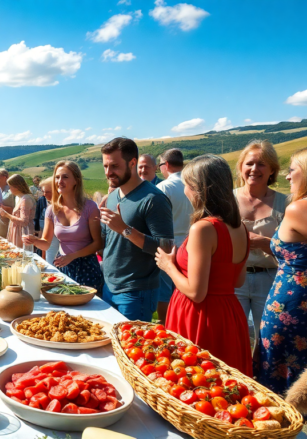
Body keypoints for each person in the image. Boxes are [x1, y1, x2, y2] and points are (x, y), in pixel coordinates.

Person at [156, 155, 252, 376]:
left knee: (194, 380)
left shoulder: (203, 228)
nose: (185, 191)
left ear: (198, 189)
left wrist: (168, 265)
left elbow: (196, 292)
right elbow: (237, 280)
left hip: (200, 317)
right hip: (229, 316)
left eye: (187, 186)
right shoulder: (240, 228)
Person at [255, 145, 307, 396]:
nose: (287, 176)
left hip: (295, 305)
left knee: (283, 382)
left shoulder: (301, 208)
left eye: (292, 170)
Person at [99, 138, 173, 321]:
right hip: (108, 287)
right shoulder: (112, 196)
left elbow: (166, 247)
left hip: (136, 293)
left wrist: (125, 229)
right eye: (105, 166)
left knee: (129, 348)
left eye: (114, 166)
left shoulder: (154, 199)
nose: (109, 173)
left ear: (132, 162)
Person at [232, 140, 288, 348]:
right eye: (249, 163)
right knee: (233, 336)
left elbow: (295, 250)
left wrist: (265, 243)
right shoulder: (227, 200)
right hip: (234, 279)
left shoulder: (286, 203)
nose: (254, 169)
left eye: (262, 164)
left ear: (272, 169)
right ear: (241, 167)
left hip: (271, 279)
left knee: (268, 339)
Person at [24, 161, 104, 291]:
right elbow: (45, 243)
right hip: (63, 267)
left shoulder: (89, 207)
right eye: (57, 177)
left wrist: (73, 256)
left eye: (65, 177)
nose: (59, 181)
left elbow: (97, 243)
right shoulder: (51, 210)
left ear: (76, 181)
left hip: (87, 268)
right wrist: (34, 240)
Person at [155, 149, 194, 323]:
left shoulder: (164, 187)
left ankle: (165, 325)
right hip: (190, 244)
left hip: (168, 243)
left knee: (164, 292)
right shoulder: (192, 184)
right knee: (184, 290)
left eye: (160, 166)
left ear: (167, 165)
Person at [0, 174, 36, 248]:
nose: (9, 189)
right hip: (16, 231)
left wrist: (6, 215)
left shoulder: (26, 199)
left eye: (10, 187)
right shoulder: (18, 197)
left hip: (22, 233)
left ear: (16, 186)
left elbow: (24, 222)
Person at [0, 168, 15, 238]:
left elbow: (15, 210)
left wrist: (0, 207)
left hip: (8, 223)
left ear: (5, 177)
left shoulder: (11, 191)